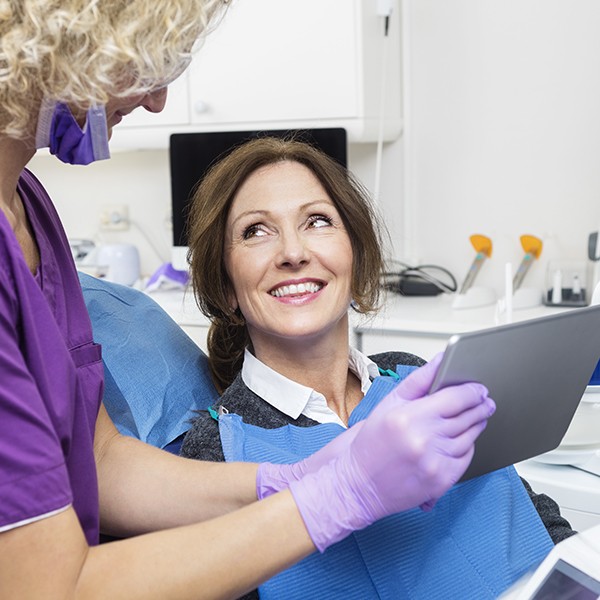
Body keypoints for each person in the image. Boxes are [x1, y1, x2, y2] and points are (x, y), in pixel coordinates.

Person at [0, 2, 499, 598]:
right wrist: (337, 494)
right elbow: (49, 588)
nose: (158, 100)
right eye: (144, 63)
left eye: (318, 222)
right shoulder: (222, 436)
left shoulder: (28, 207)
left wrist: (289, 478)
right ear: (67, 40)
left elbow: (99, 455)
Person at [180, 136, 574, 599]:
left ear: (355, 256)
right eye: (256, 231)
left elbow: (526, 509)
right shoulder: (215, 452)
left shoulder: (413, 375)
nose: (292, 252)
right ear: (226, 285)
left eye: (317, 221)